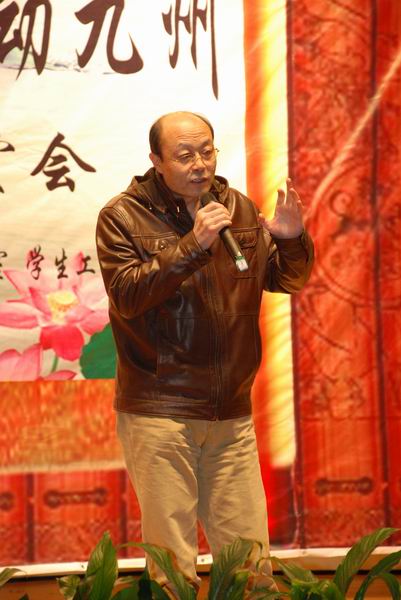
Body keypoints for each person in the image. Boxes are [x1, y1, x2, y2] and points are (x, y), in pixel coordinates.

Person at [96, 111, 314, 596]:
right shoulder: (122, 217)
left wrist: (291, 240)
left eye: (207, 151)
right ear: (156, 161)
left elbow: (286, 279)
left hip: (231, 411)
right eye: (184, 155)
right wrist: (193, 244)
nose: (200, 164)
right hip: (161, 409)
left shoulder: (237, 208)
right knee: (172, 565)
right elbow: (127, 295)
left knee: (249, 559)